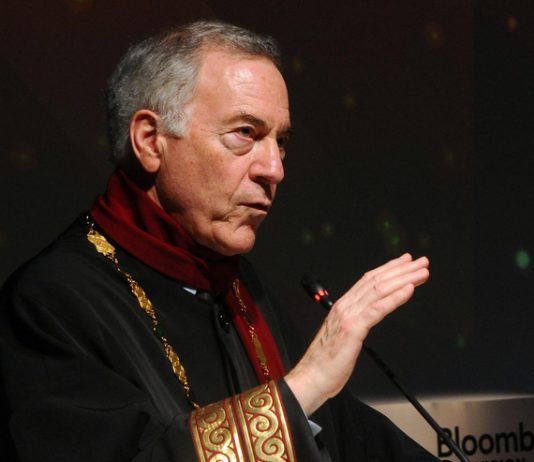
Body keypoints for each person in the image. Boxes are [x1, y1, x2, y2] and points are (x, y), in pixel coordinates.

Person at [0, 20, 435, 461]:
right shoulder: (48, 302)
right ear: (150, 141)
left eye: (281, 141)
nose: (274, 169)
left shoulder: (235, 281)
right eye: (245, 133)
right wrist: (308, 382)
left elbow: (348, 436)